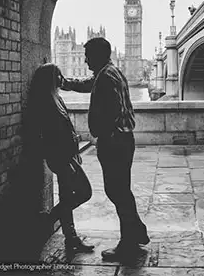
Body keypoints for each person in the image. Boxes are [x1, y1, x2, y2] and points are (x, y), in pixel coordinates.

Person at [62, 37, 150, 261]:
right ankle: (136, 232)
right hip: (122, 139)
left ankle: (128, 243)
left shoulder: (106, 76)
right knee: (121, 191)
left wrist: (102, 133)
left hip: (115, 141)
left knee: (117, 191)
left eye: (88, 55)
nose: (85, 59)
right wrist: (66, 83)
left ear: (99, 55)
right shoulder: (111, 72)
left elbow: (113, 109)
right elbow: (88, 85)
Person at [25, 63, 94, 253]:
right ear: (51, 78)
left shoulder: (57, 98)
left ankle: (70, 237)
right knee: (84, 192)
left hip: (68, 155)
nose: (61, 78)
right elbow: (45, 134)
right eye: (58, 75)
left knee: (66, 196)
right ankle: (50, 219)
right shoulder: (45, 102)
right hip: (60, 157)